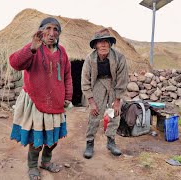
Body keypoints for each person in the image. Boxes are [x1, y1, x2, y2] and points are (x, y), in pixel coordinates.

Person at [9, 17, 73, 180]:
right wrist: (31, 48)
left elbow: (67, 76)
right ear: (41, 30)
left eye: (56, 30)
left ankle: (45, 162)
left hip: (56, 101)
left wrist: (68, 96)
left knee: (53, 138)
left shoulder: (62, 52)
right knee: (37, 138)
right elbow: (15, 63)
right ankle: (32, 167)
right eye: (48, 29)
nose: (52, 33)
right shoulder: (34, 47)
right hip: (36, 101)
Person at [81, 28, 129, 159]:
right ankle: (90, 143)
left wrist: (118, 101)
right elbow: (85, 81)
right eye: (100, 42)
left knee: (114, 114)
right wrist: (91, 102)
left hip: (113, 86)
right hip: (97, 85)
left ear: (110, 44)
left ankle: (111, 141)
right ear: (95, 45)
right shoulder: (90, 59)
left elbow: (122, 79)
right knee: (94, 114)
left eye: (106, 42)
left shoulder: (119, 57)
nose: (103, 45)